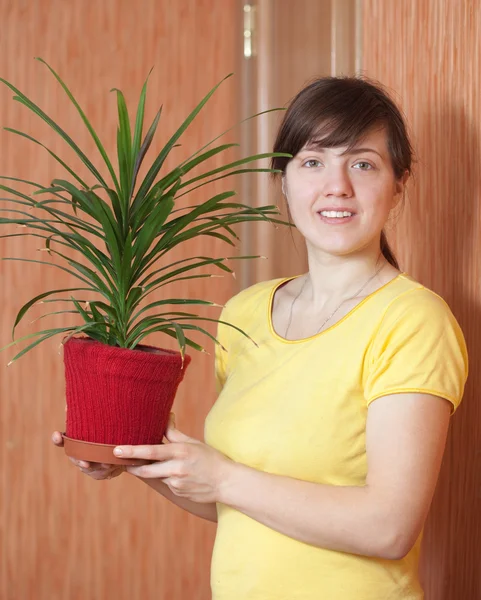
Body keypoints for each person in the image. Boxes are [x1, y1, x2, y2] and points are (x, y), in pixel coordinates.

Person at [52, 76, 468, 599]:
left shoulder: (414, 322)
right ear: (284, 181)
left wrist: (223, 478)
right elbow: (235, 501)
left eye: (362, 163)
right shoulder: (246, 312)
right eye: (313, 162)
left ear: (397, 185)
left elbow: (389, 527)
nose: (336, 185)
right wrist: (138, 461)